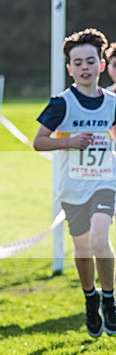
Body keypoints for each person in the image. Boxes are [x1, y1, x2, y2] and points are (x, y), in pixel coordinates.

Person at [33, 28, 116, 338]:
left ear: (100, 65)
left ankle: (109, 299)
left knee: (98, 239)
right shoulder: (61, 103)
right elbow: (39, 142)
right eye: (77, 62)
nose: (84, 67)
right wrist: (70, 141)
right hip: (73, 187)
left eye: (90, 61)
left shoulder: (112, 102)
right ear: (69, 68)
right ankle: (90, 297)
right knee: (82, 249)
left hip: (104, 182)